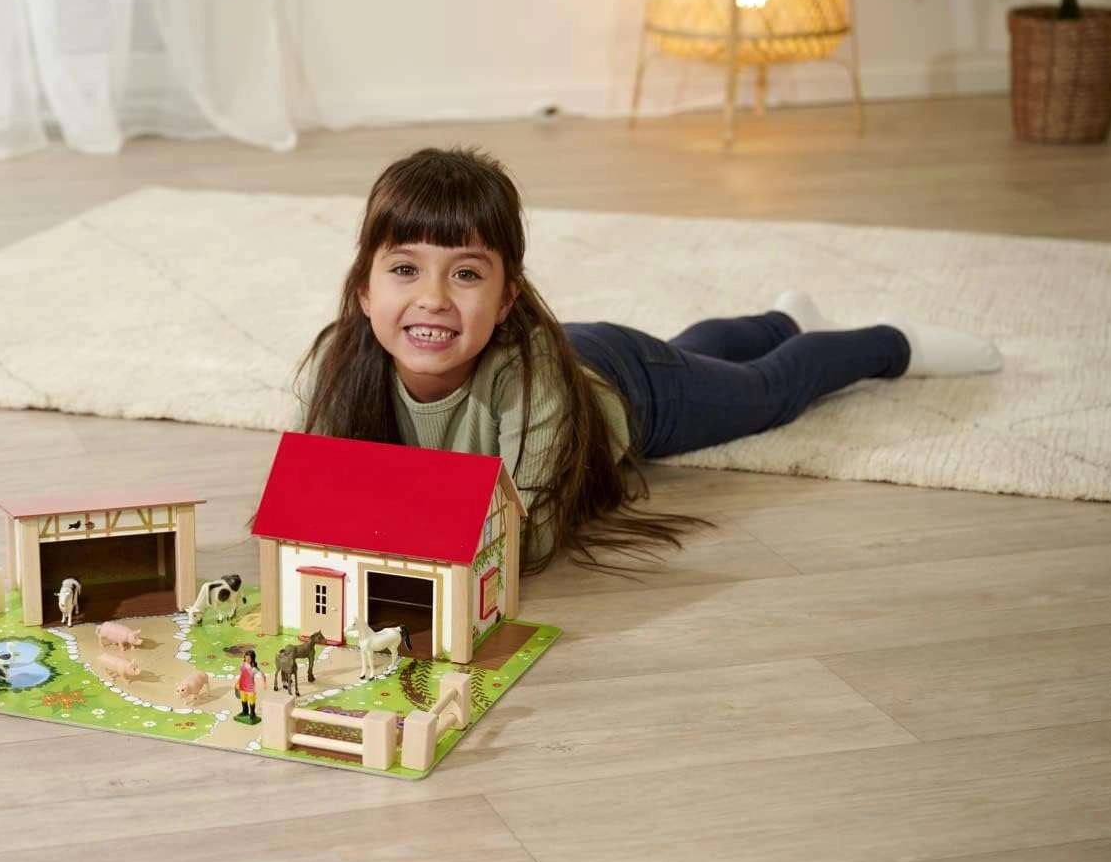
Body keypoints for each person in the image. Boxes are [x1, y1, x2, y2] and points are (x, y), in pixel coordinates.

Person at [295, 147, 1003, 574]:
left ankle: (890, 343)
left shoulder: (529, 376)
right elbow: (310, 505)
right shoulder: (339, 360)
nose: (434, 299)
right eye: (405, 270)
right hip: (592, 354)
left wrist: (393, 522)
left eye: (467, 274)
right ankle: (785, 318)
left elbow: (528, 538)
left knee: (764, 391)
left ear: (508, 296)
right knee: (693, 353)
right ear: (364, 288)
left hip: (627, 385)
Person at [235, 649, 266, 723]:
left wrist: (264, 683)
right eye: (246, 657)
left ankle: (252, 713)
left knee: (251, 700)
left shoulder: (254, 668)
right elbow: (241, 674)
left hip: (250, 687)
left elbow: (262, 674)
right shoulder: (243, 664)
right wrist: (237, 682)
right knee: (243, 699)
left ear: (252, 658)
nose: (247, 659)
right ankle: (245, 711)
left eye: (249, 658)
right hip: (242, 685)